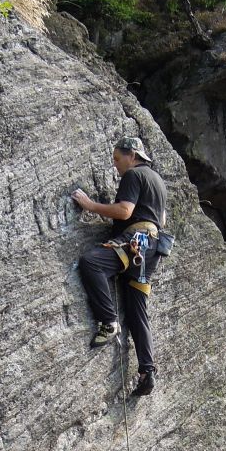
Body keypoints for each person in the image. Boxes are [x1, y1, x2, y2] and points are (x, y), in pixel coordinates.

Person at [73, 135, 167, 397]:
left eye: (117, 158)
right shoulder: (158, 182)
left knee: (91, 263)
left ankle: (108, 321)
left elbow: (125, 211)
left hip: (136, 241)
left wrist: (90, 205)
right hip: (151, 248)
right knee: (137, 308)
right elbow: (161, 219)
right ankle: (147, 371)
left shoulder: (134, 176)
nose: (115, 165)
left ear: (132, 155)